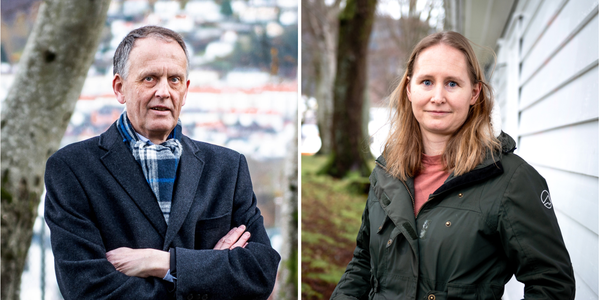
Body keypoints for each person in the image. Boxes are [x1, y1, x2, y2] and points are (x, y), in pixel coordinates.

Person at [330, 31, 575, 300]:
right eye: (426, 82)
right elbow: (363, 263)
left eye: (452, 84)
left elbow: (552, 284)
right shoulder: (387, 172)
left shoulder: (511, 180)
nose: (437, 97)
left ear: (474, 92)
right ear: (409, 89)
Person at [44, 26, 280, 300]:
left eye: (175, 79)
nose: (164, 91)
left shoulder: (228, 168)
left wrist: (161, 263)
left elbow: (261, 273)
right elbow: (87, 289)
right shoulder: (72, 169)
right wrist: (206, 273)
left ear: (186, 90)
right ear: (120, 88)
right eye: (150, 78)